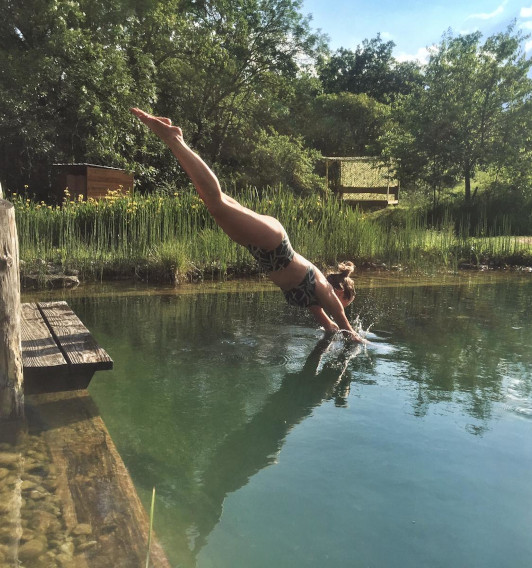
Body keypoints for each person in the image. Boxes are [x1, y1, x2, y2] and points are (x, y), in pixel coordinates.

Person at [130, 107, 366, 342]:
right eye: (347, 302)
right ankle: (174, 138)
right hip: (274, 245)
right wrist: (362, 342)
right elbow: (346, 328)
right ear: (342, 292)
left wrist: (333, 334)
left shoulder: (314, 301)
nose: (344, 307)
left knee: (213, 203)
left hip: (263, 249)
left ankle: (174, 139)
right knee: (217, 202)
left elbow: (331, 327)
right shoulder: (325, 290)